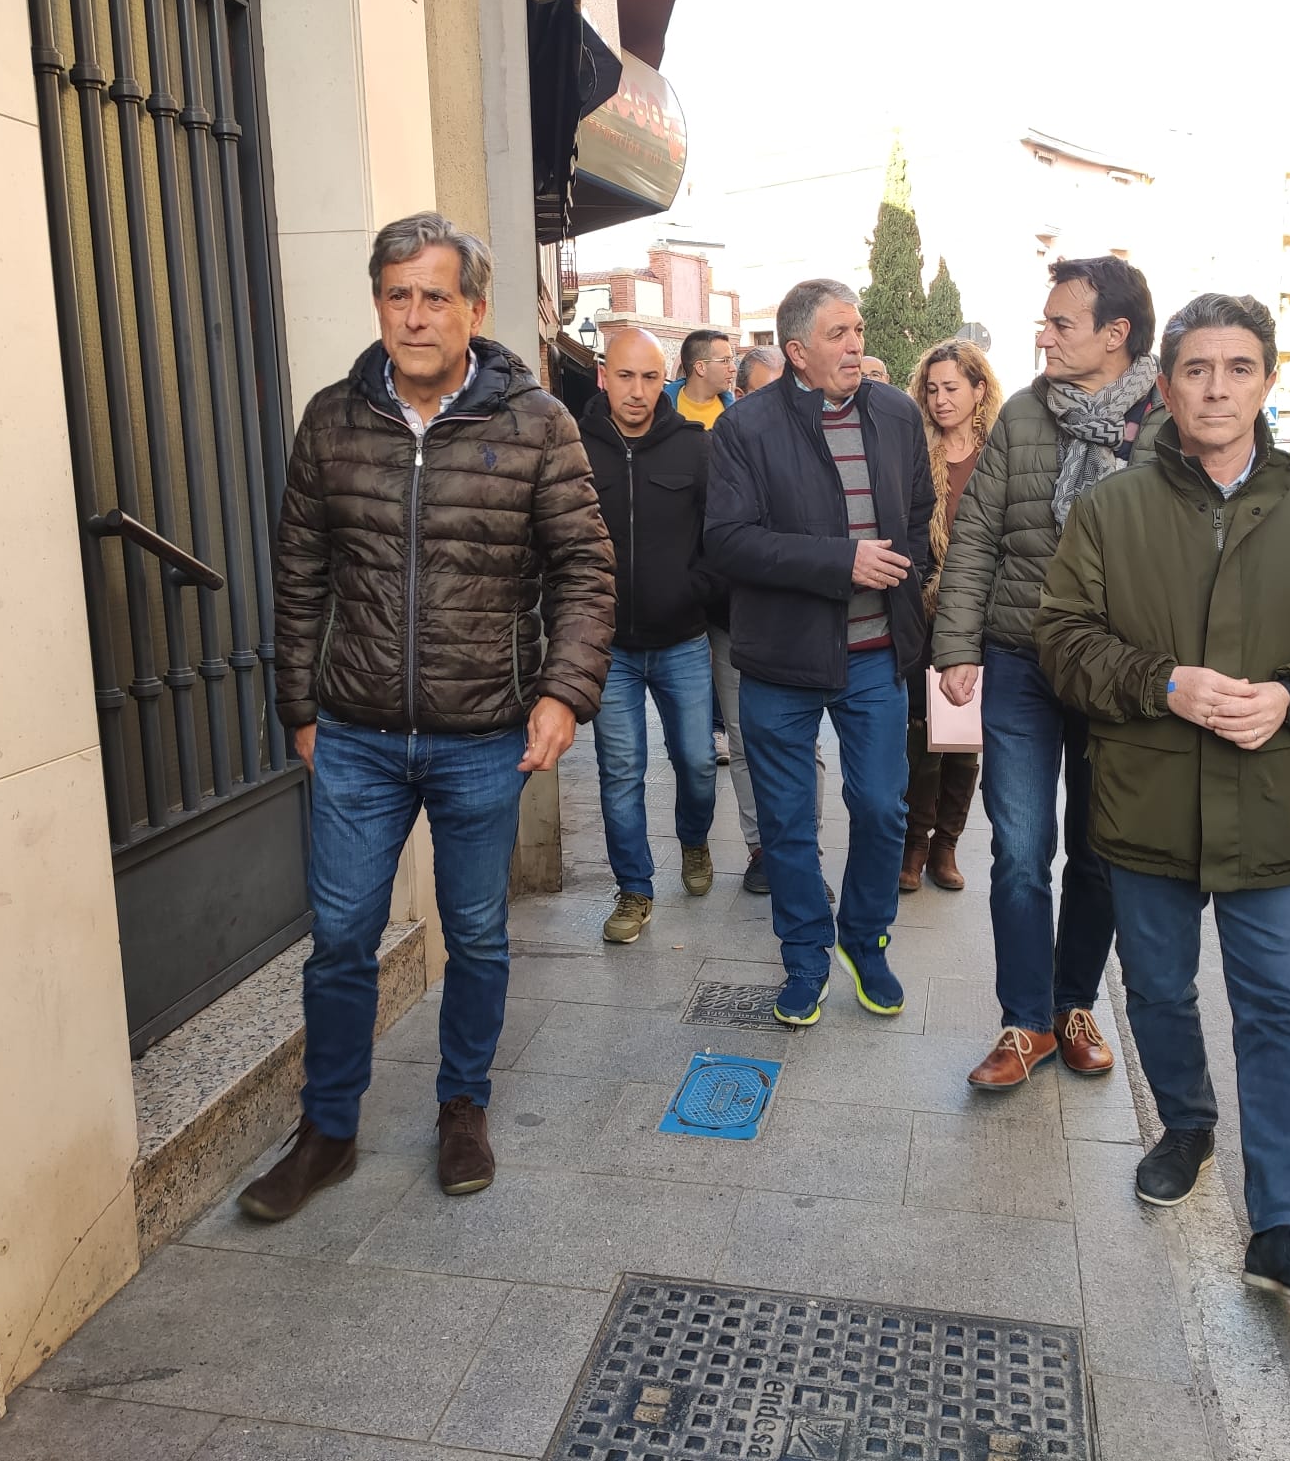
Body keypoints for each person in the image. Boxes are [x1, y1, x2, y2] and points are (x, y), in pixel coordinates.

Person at [1035, 293, 1290, 1306]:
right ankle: (1187, 1122)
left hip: (1278, 807)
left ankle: (1281, 1225)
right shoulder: (1110, 510)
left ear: (1267, 380)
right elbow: (1061, 639)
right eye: (1194, 369)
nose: (1213, 387)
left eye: (1236, 368)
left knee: (1277, 1011)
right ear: (1163, 386)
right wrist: (1161, 683)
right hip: (1146, 806)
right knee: (1156, 992)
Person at [247, 212, 615, 1217]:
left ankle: (463, 1106)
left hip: (482, 734)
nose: (413, 316)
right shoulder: (332, 420)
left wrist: (562, 693)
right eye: (396, 295)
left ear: (474, 309)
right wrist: (300, 705)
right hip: (357, 735)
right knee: (340, 939)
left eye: (433, 296)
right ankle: (326, 1130)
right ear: (379, 304)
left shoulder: (536, 422)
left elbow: (584, 568)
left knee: (477, 935)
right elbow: (299, 573)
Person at [934, 255, 1164, 1090]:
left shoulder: (1164, 420)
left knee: (1100, 852)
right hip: (1021, 660)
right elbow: (976, 539)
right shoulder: (1024, 414)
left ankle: (1075, 1006)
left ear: (1116, 334)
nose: (1045, 336)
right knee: (1022, 852)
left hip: (1117, 675)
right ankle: (1024, 1021)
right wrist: (956, 648)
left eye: (1061, 323)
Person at [705, 278, 934, 1025]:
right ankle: (804, 958)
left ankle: (863, 941)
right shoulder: (746, 428)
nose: (856, 345)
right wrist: (841, 563)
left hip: (874, 657)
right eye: (839, 334)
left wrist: (907, 584)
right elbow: (728, 542)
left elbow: (922, 512)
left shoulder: (898, 414)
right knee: (786, 822)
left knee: (880, 807)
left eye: (859, 330)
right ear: (797, 351)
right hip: (781, 658)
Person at [580, 328, 718, 943]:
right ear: (604, 375)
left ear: (668, 381)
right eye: (626, 376)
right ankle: (634, 889)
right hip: (607, 645)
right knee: (621, 770)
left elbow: (722, 532)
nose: (637, 391)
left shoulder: (694, 448)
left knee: (696, 761)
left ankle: (693, 838)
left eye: (651, 378)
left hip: (683, 639)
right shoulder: (574, 448)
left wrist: (700, 589)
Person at [710, 341, 829, 896]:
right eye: (763, 394)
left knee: (807, 748)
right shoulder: (722, 444)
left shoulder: (817, 443)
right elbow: (715, 542)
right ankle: (763, 848)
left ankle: (806, 852)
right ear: (739, 396)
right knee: (744, 738)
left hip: (805, 622)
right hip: (737, 622)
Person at [899, 339, 1003, 893]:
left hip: (985, 611)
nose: (940, 399)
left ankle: (946, 846)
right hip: (924, 610)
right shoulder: (916, 449)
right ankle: (914, 844)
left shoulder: (999, 452)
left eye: (952, 388)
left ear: (979, 390)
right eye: (932, 389)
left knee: (964, 737)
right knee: (924, 735)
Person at [665, 328, 736, 429]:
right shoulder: (660, 412)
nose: (733, 368)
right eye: (725, 360)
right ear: (700, 367)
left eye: (731, 360)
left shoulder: (734, 414)